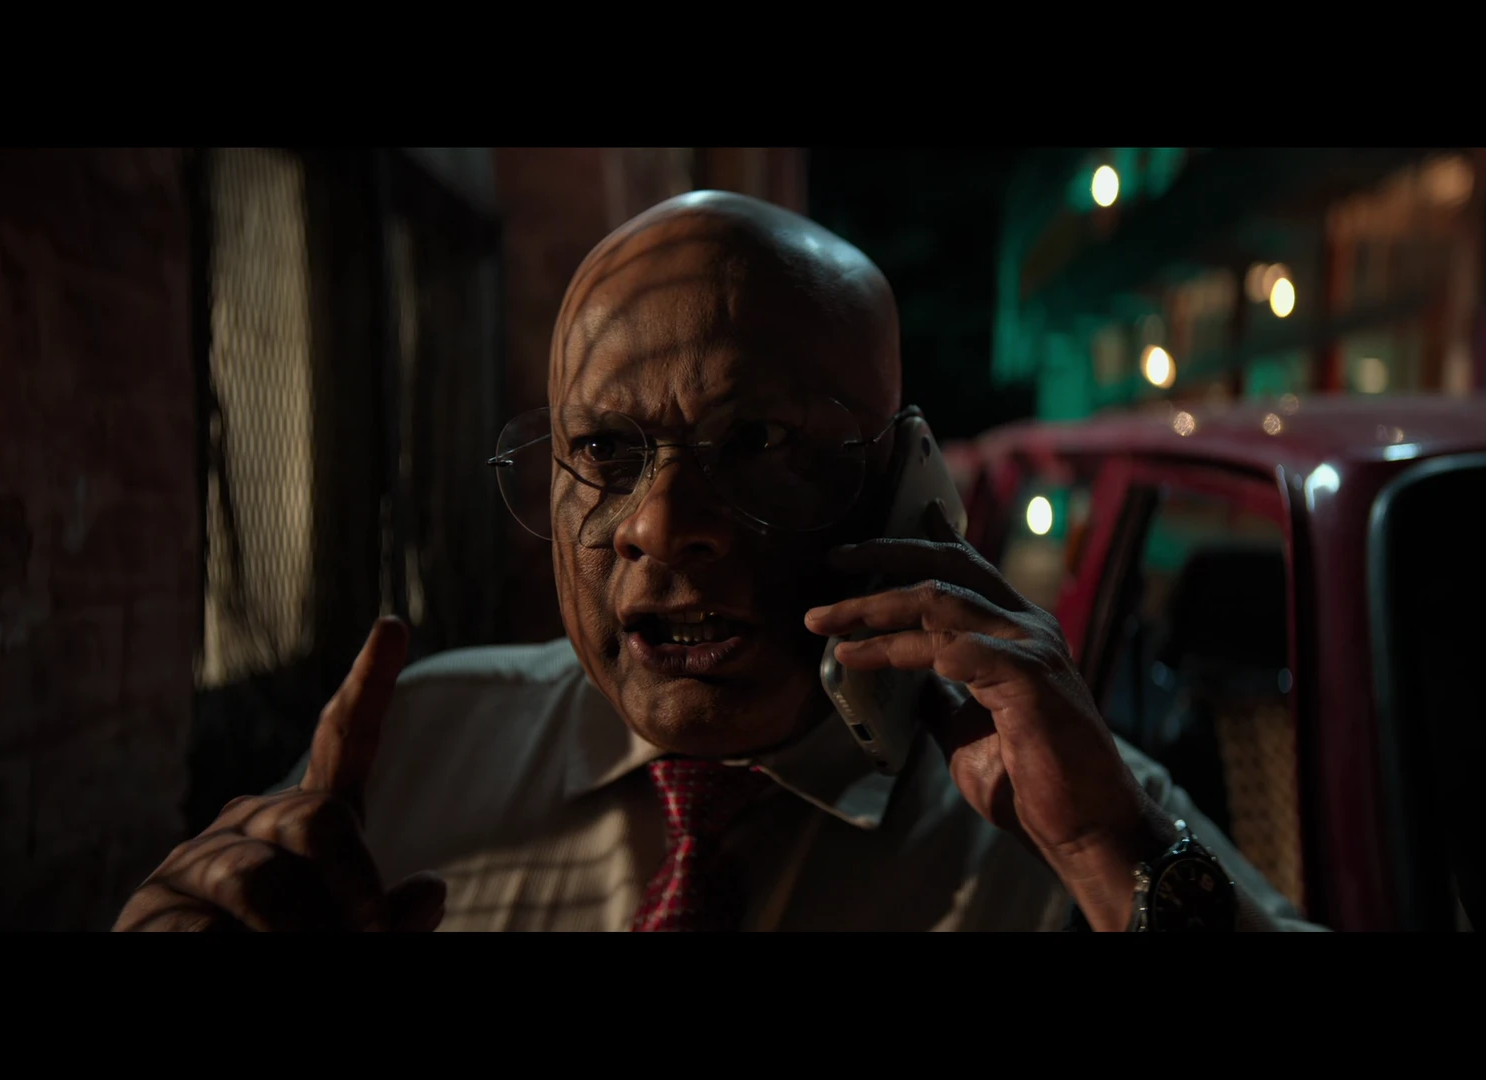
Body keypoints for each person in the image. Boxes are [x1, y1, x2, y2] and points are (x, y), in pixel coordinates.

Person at [113, 191, 1319, 932]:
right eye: (604, 450)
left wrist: (1109, 858)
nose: (660, 524)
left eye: (760, 444)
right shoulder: (416, 755)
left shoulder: (1065, 810)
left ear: (907, 486)